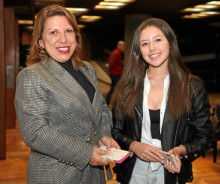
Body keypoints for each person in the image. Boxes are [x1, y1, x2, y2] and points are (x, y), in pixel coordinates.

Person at [14, 5, 120, 184]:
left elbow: (101, 108)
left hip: (93, 174)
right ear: (40, 42)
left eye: (68, 31)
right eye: (53, 32)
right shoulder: (32, 75)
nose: (63, 39)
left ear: (76, 37)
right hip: (58, 175)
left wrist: (104, 134)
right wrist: (86, 153)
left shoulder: (87, 69)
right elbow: (35, 132)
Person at [110, 18, 213, 184]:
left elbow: (204, 137)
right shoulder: (127, 87)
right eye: (144, 43)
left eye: (158, 40)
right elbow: (114, 130)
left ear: (170, 42)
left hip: (172, 171)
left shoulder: (192, 87)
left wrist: (180, 151)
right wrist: (133, 145)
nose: (152, 48)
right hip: (133, 171)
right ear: (138, 50)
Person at [105, 40, 126, 105]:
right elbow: (111, 63)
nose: (124, 48)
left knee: (113, 89)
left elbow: (108, 59)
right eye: (123, 46)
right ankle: (116, 105)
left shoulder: (115, 52)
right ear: (119, 46)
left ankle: (107, 103)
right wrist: (110, 69)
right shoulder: (117, 54)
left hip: (114, 74)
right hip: (115, 75)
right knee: (118, 90)